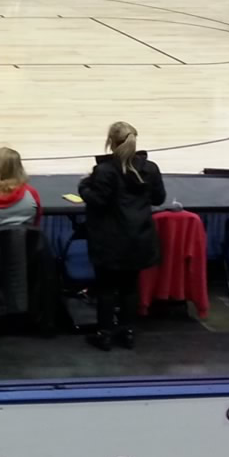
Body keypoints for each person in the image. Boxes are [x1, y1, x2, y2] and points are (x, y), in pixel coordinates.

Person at [78, 120, 165, 351]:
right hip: (139, 238)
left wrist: (84, 185)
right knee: (130, 287)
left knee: (106, 288)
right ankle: (127, 332)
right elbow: (158, 199)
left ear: (111, 142)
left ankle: (104, 334)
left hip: (110, 241)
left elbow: (97, 200)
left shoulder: (106, 170)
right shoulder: (151, 168)